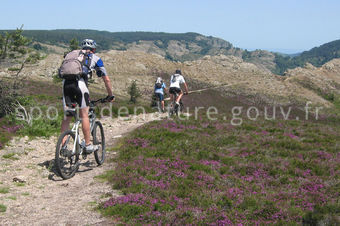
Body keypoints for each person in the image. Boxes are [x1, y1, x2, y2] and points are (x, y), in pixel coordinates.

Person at [61, 39, 114, 153]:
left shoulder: (72, 54)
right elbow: (106, 79)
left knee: (67, 116)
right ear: (93, 49)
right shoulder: (95, 58)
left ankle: (63, 147)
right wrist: (110, 95)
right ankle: (88, 145)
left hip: (66, 84)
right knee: (84, 115)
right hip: (80, 84)